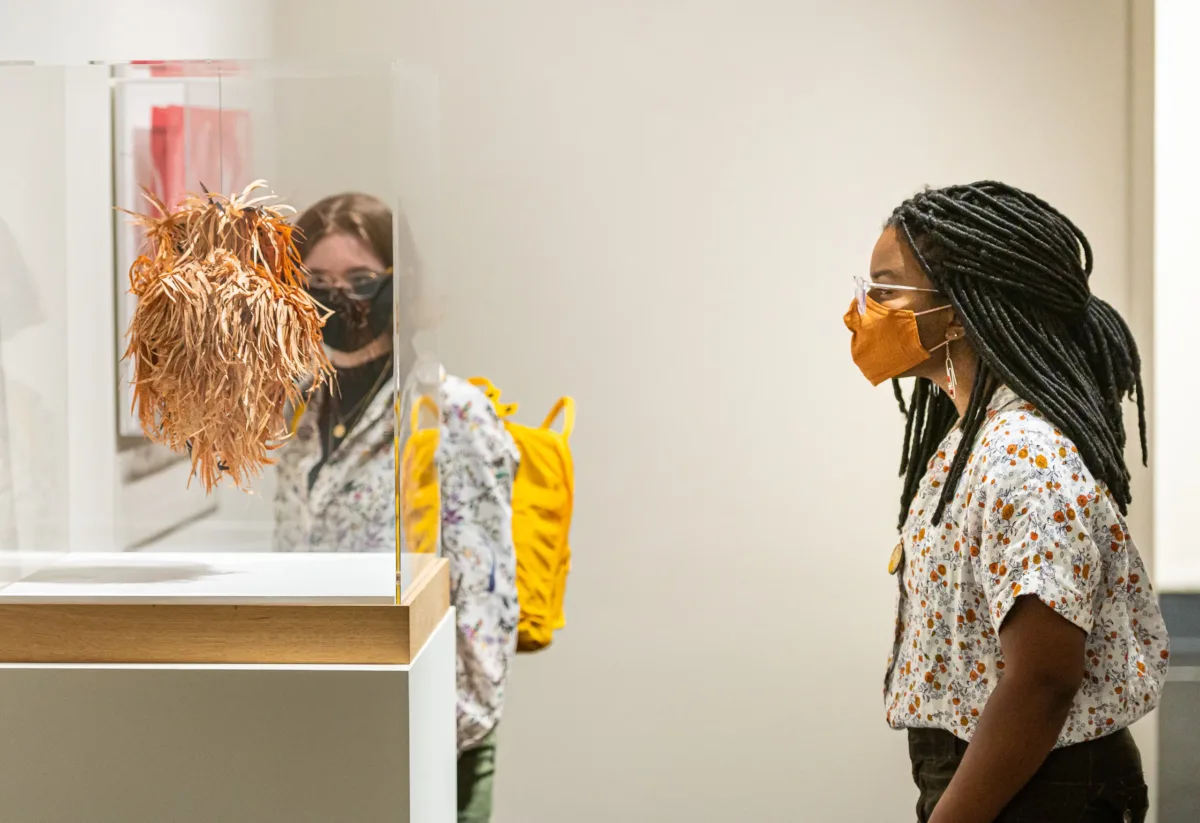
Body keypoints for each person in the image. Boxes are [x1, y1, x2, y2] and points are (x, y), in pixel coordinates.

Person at [844, 182, 1169, 823]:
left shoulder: (1025, 458)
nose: (861, 308)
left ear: (959, 311)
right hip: (1005, 774)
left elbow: (1043, 682)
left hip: (1046, 787)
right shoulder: (972, 439)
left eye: (885, 289)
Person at [273, 192, 519, 823]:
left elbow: (486, 613)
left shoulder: (451, 415)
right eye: (318, 283)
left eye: (361, 280)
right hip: (323, 739)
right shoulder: (302, 417)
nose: (341, 299)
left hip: (428, 751)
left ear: (399, 283)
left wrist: (433, 741)